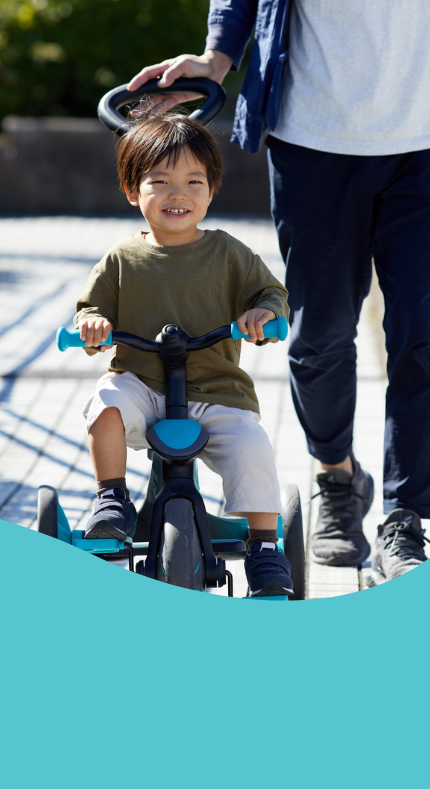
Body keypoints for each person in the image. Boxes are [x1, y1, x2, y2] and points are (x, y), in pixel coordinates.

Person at [127, 0, 430, 583]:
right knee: (318, 338)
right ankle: (337, 477)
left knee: (422, 333)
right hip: (313, 135)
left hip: (423, 145)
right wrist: (217, 55)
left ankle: (406, 518)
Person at [74, 112, 294, 596]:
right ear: (132, 191)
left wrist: (264, 314)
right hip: (143, 384)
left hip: (217, 391)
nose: (178, 194)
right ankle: (111, 499)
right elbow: (92, 309)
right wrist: (93, 326)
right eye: (160, 182)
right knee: (104, 404)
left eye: (194, 182)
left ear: (211, 191)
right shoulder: (122, 258)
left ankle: (264, 546)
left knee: (252, 446)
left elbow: (271, 293)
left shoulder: (229, 253)